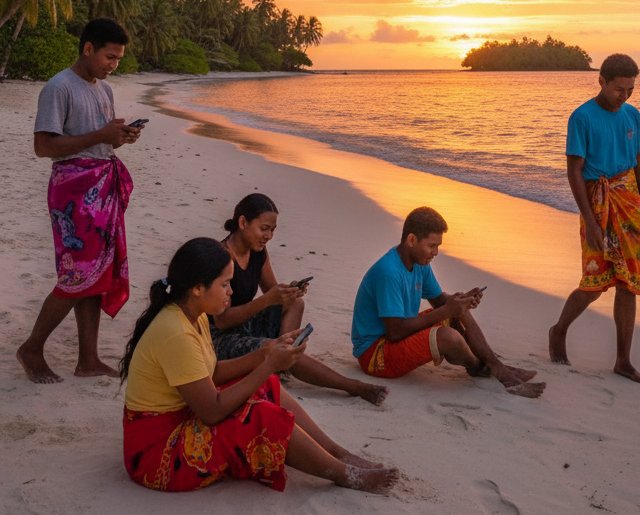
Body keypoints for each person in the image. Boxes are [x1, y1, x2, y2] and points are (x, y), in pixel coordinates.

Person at [120, 237, 398, 495]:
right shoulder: (177, 331)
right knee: (259, 414)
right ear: (197, 288)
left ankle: (336, 453)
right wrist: (268, 365)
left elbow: (212, 373)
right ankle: (343, 474)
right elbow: (212, 410)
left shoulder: (194, 314)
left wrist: (266, 352)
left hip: (180, 419)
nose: (231, 291)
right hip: (156, 455)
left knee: (267, 384)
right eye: (225, 284)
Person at [16, 17, 141, 384]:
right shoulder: (59, 87)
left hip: (102, 183)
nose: (113, 65)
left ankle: (88, 359)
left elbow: (98, 139)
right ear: (88, 48)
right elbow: (44, 147)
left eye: (118, 59)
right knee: (77, 274)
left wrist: (118, 137)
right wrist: (101, 134)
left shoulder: (102, 89)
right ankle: (31, 348)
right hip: (73, 190)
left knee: (97, 274)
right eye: (109, 57)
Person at [211, 194, 388, 406]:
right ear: (242, 223)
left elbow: (272, 292)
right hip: (220, 337)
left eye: (272, 230)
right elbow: (222, 321)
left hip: (244, 325)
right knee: (282, 348)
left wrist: (289, 292)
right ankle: (352, 386)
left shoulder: (258, 251)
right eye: (264, 228)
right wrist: (267, 300)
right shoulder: (221, 259)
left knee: (295, 303)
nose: (268, 236)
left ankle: (285, 357)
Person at [350, 207, 545, 398]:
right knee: (448, 337)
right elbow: (395, 332)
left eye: (438, 247)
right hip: (375, 354)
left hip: (395, 336)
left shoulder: (419, 262)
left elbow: (438, 300)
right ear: (411, 240)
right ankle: (479, 367)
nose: (435, 252)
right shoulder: (389, 272)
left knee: (458, 308)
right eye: (432, 245)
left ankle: (498, 368)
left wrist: (461, 301)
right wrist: (447, 310)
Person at [548, 52, 640, 384]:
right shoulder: (581, 117)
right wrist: (591, 222)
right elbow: (574, 171)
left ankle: (623, 360)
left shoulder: (632, 115)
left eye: (630, 90)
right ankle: (559, 330)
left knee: (629, 284)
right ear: (602, 81)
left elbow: (637, 164)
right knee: (595, 281)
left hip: (629, 206)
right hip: (597, 205)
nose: (624, 96)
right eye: (618, 89)